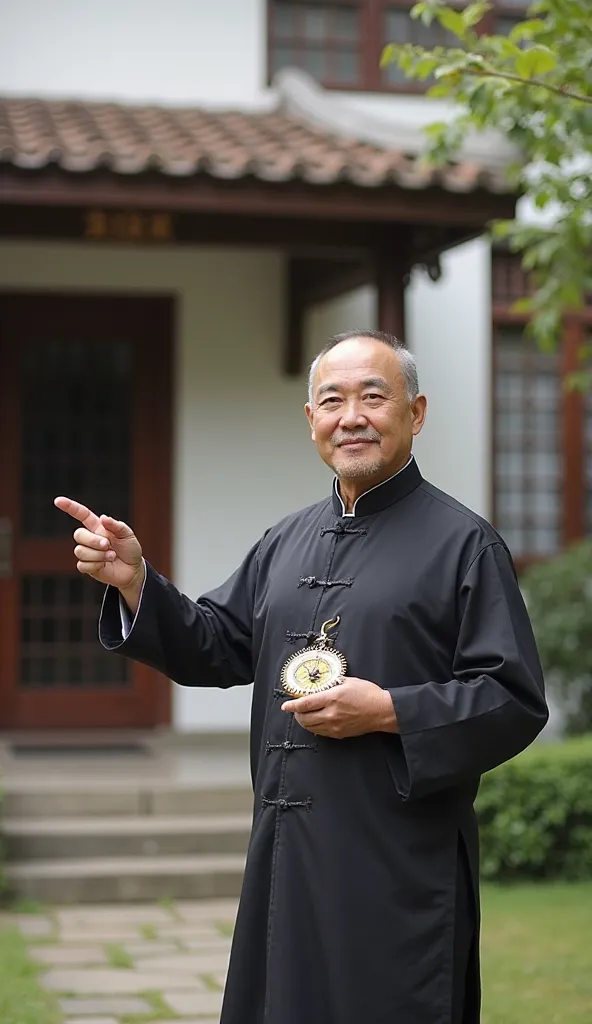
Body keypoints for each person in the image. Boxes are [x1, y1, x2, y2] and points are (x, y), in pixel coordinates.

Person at [55, 329, 549, 1024]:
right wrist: (138, 584)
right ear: (312, 420)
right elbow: (216, 644)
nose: (352, 416)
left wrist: (389, 711)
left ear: (417, 412)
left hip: (398, 866)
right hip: (285, 860)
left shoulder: (465, 545)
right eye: (332, 400)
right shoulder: (286, 540)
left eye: (373, 397)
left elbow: (512, 697)